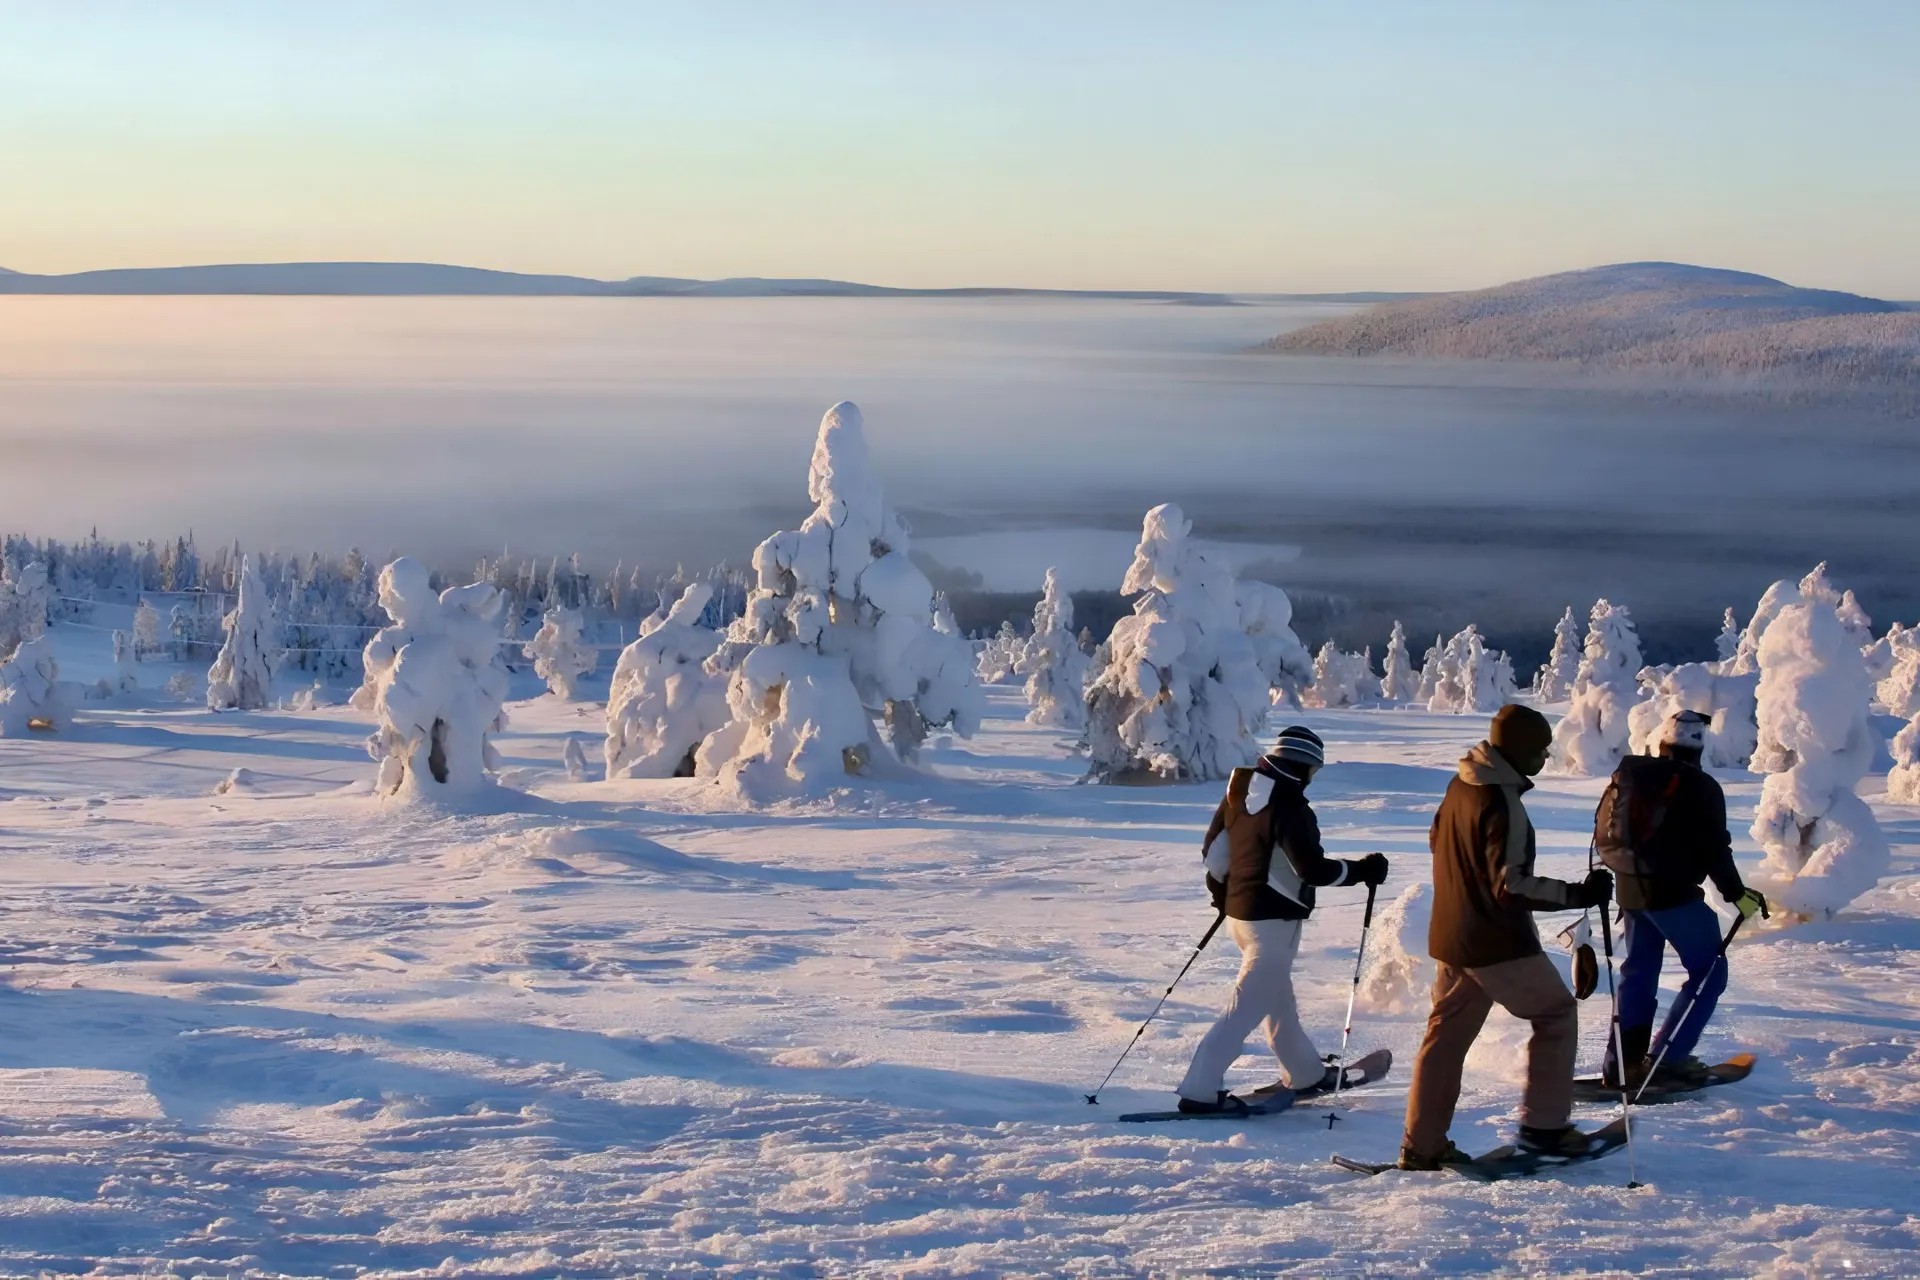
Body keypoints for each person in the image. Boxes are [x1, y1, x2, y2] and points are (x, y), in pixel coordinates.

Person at [1399, 704, 1614, 1169]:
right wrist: (1580, 893)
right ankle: (1545, 1130)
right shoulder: (1500, 801)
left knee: (1445, 1038)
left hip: (1452, 936)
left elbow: (1438, 842)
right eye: (1540, 750)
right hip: (1494, 942)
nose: (1545, 758)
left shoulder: (1461, 784)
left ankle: (1422, 1146)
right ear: (1518, 750)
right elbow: (1511, 887)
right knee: (1556, 1013)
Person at [1175, 725, 1390, 1114]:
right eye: (1313, 770)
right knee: (1243, 1011)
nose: (1312, 779)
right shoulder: (1291, 808)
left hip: (1241, 920)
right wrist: (1362, 870)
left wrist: (1228, 898)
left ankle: (1305, 1073)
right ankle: (1199, 1091)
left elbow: (1215, 858)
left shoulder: (1239, 794)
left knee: (1278, 1005)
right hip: (1275, 925)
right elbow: (1311, 870)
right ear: (1302, 766)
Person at [1597, 709, 1768, 1088]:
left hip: (1629, 891)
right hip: (1672, 896)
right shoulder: (1701, 786)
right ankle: (1667, 1061)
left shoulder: (1632, 776)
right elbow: (1714, 849)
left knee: (1638, 973)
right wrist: (1737, 895)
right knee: (1710, 973)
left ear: (1663, 743)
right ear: (1698, 749)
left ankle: (1620, 1066)